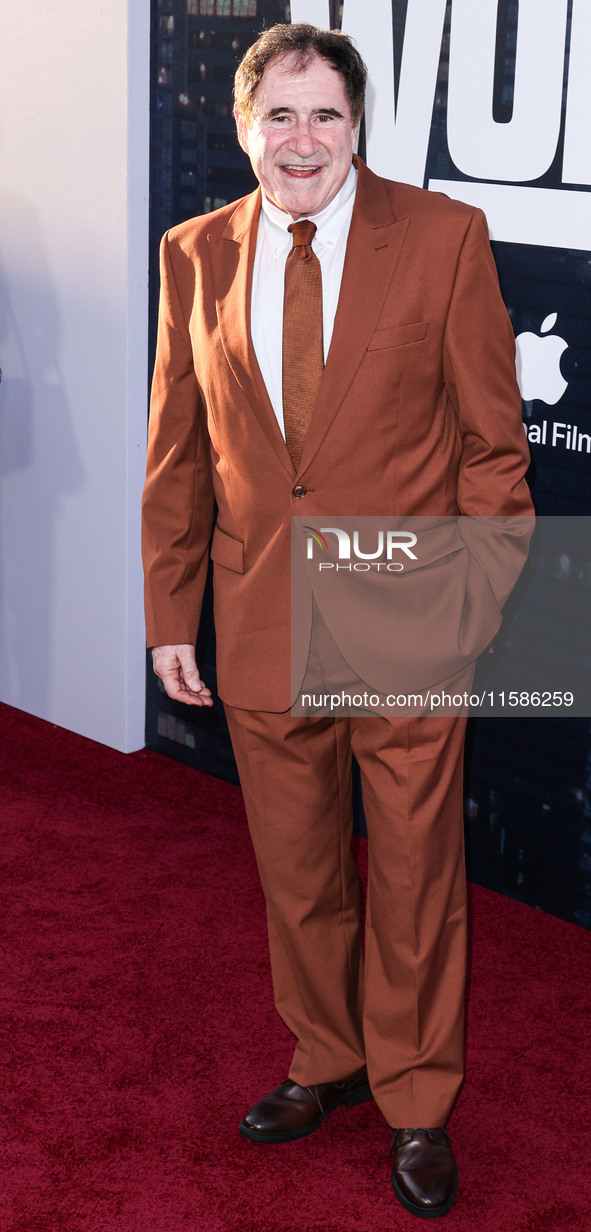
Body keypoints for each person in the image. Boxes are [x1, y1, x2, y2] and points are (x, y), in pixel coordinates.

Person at [142, 22, 534, 1219]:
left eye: (326, 116)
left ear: (359, 126)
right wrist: (171, 612)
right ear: (244, 122)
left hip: (406, 609)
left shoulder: (444, 238)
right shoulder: (195, 252)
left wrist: (465, 603)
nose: (302, 140)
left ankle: (418, 1097)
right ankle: (327, 1057)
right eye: (281, 115)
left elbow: (493, 449)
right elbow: (178, 456)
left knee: (416, 872)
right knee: (297, 866)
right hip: (259, 611)